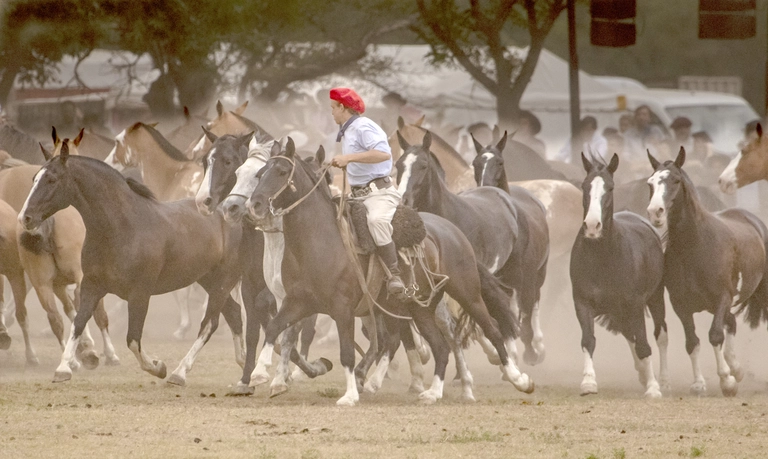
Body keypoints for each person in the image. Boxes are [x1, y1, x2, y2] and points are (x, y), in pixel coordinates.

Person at [328, 87, 405, 298]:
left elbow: (383, 154)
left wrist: (349, 159)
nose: (332, 112)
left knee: (376, 221)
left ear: (342, 107)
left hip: (379, 193)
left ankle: (394, 274)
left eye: (333, 108)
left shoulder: (364, 126)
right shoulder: (348, 129)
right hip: (358, 194)